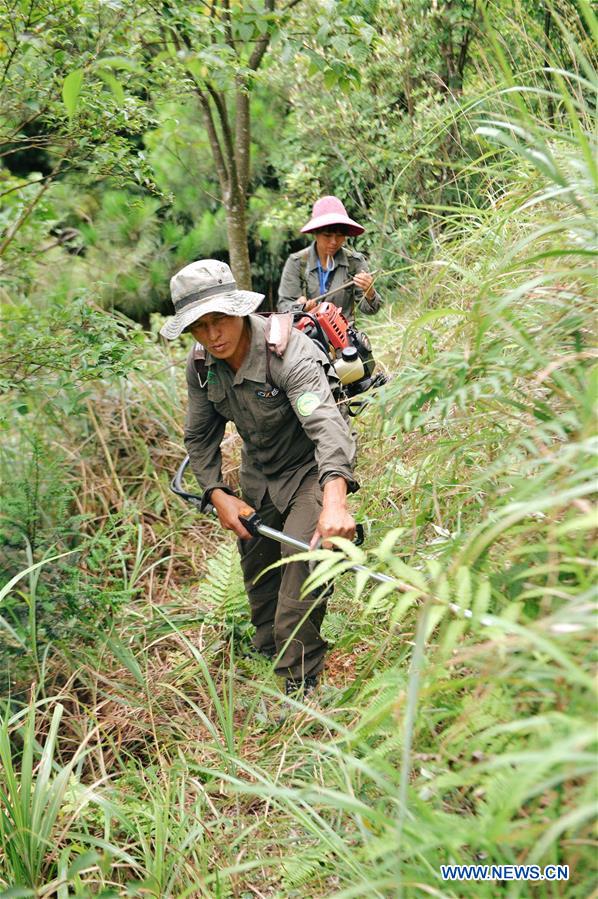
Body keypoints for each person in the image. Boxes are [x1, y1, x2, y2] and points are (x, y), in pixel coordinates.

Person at [160, 259, 358, 696]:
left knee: (300, 578)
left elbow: (328, 428)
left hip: (310, 472)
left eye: (220, 320)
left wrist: (335, 503)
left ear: (238, 311)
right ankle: (268, 653)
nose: (213, 335)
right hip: (259, 475)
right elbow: (198, 436)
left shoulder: (288, 352)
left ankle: (297, 688)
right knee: (260, 577)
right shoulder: (201, 367)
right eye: (199, 326)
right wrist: (216, 493)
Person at [277, 195, 382, 320]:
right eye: (327, 235)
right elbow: (284, 307)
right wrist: (300, 307)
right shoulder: (297, 263)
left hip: (343, 335)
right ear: (315, 233)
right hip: (306, 335)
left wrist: (369, 292)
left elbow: (370, 309)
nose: (334, 241)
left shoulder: (354, 262)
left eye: (339, 236)